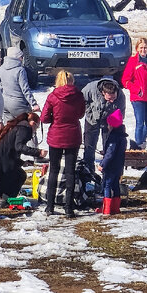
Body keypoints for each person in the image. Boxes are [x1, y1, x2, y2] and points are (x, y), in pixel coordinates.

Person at [40, 70, 86, 216]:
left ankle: (49, 206)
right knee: (70, 171)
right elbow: (80, 114)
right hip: (73, 135)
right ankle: (68, 207)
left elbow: (44, 118)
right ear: (72, 81)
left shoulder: (53, 96)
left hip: (56, 136)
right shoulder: (79, 95)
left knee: (53, 170)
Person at [80, 76, 126, 170]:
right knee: (89, 146)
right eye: (109, 99)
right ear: (103, 93)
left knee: (109, 147)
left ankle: (107, 168)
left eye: (114, 98)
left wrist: (114, 123)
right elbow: (80, 100)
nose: (112, 100)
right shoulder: (90, 89)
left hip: (109, 122)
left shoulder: (121, 95)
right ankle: (88, 170)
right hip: (92, 120)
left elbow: (121, 112)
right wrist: (89, 111)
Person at [121, 37, 147, 150]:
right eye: (141, 47)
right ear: (137, 48)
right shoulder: (133, 61)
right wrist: (137, 90)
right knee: (140, 123)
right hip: (138, 97)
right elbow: (125, 80)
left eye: (145, 47)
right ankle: (138, 146)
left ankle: (140, 143)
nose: (143, 50)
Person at [96, 109, 127, 215]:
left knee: (107, 186)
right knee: (116, 186)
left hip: (111, 166)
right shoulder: (123, 136)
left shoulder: (113, 137)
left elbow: (110, 153)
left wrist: (102, 164)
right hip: (119, 166)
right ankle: (115, 207)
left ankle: (106, 209)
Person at [0, 45, 38, 121]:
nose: (22, 58)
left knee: (9, 128)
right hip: (19, 104)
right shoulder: (20, 70)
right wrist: (34, 104)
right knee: (26, 126)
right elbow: (25, 89)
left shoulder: (2, 68)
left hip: (5, 102)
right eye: (21, 56)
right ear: (17, 58)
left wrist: (0, 87)